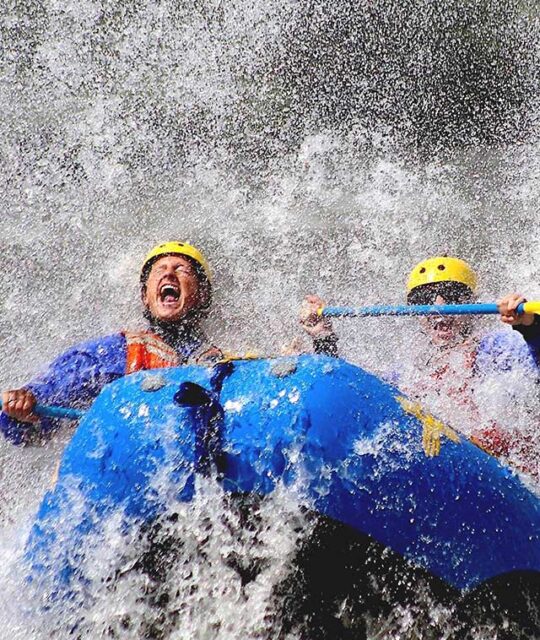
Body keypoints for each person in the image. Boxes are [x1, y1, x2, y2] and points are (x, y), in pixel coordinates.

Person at [300, 256, 540, 474]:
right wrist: (324, 340)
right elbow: (356, 396)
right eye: (424, 299)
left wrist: (528, 324)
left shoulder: (497, 347)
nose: (438, 308)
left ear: (471, 303)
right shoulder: (409, 371)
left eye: (452, 296)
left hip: (511, 476)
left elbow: (534, 357)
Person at [0, 241, 224, 445]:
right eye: (159, 270)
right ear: (145, 296)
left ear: (202, 294)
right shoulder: (112, 353)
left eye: (181, 269)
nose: (169, 275)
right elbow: (27, 426)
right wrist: (22, 405)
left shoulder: (218, 362)